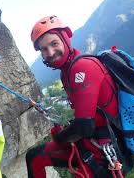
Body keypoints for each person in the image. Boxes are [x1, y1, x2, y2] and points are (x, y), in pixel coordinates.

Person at [26, 15, 123, 178]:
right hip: (93, 142)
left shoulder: (81, 67)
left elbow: (84, 126)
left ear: (65, 39)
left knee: (36, 157)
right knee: (35, 157)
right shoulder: (67, 70)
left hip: (103, 150)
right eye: (44, 49)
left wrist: (59, 137)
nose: (50, 53)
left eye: (54, 43)